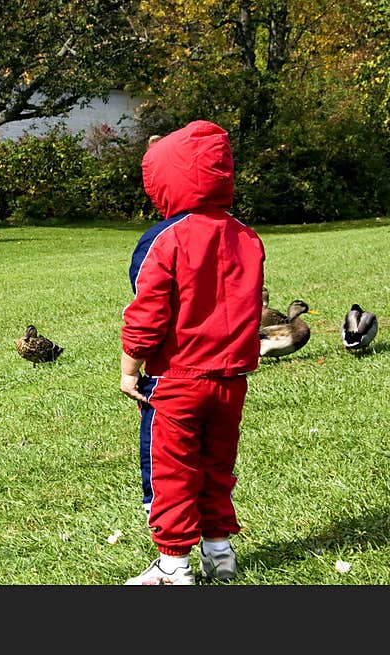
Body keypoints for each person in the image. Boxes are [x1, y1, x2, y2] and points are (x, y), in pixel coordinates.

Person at [119, 120, 265, 585]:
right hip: (231, 381)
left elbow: (147, 311)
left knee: (174, 469)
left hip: (178, 379)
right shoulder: (246, 236)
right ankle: (220, 552)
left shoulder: (165, 237)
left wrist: (130, 369)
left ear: (168, 180)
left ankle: (173, 565)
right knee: (217, 466)